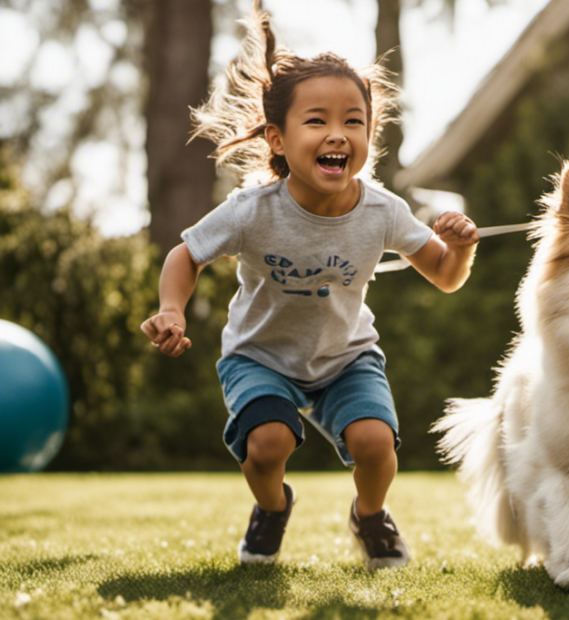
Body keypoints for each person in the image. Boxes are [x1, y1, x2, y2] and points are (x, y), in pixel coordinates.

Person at [140, 3, 479, 569]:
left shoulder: (385, 211)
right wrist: (171, 309)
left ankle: (370, 516)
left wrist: (461, 247)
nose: (337, 134)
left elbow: (445, 276)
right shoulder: (251, 210)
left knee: (375, 445)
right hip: (261, 358)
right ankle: (271, 509)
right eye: (317, 120)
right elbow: (185, 254)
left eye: (353, 121)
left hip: (346, 357)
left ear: (370, 133)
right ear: (277, 138)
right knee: (266, 446)